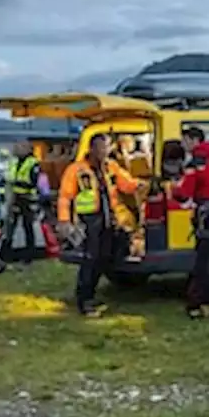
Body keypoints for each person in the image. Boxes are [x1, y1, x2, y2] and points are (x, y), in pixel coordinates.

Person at [57, 134, 139, 317]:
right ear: (92, 148)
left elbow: (126, 184)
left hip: (108, 219)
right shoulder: (76, 170)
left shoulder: (111, 167)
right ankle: (84, 300)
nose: (104, 151)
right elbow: (65, 196)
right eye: (101, 147)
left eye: (107, 147)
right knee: (90, 260)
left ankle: (91, 296)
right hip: (88, 220)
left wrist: (141, 185)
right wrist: (64, 220)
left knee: (104, 259)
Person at [171, 126, 209, 319]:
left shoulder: (196, 163)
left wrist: (173, 187)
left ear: (194, 140)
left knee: (203, 262)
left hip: (207, 217)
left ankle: (201, 304)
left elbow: (184, 194)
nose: (183, 145)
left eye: (185, 141)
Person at [3, 139, 50, 263]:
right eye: (17, 146)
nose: (17, 149)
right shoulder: (15, 162)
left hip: (27, 199)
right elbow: (9, 177)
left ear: (28, 149)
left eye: (21, 147)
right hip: (15, 197)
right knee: (10, 227)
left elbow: (37, 182)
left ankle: (29, 255)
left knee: (27, 227)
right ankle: (6, 254)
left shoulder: (33, 164)